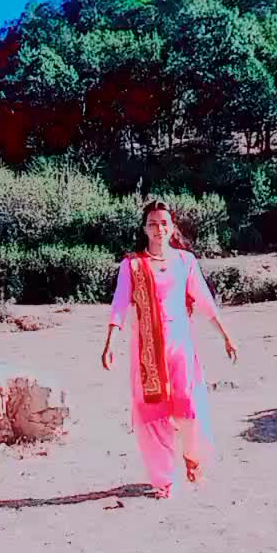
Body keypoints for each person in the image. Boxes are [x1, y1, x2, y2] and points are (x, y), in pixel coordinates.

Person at [101, 199, 237, 499]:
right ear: (144, 229)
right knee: (153, 415)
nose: (158, 229)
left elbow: (204, 300)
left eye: (164, 223)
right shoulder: (132, 265)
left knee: (188, 408)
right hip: (147, 351)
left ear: (172, 227)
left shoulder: (186, 261)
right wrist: (110, 343)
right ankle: (163, 481)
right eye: (152, 223)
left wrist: (226, 336)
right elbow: (119, 305)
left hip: (180, 346)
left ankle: (192, 460)